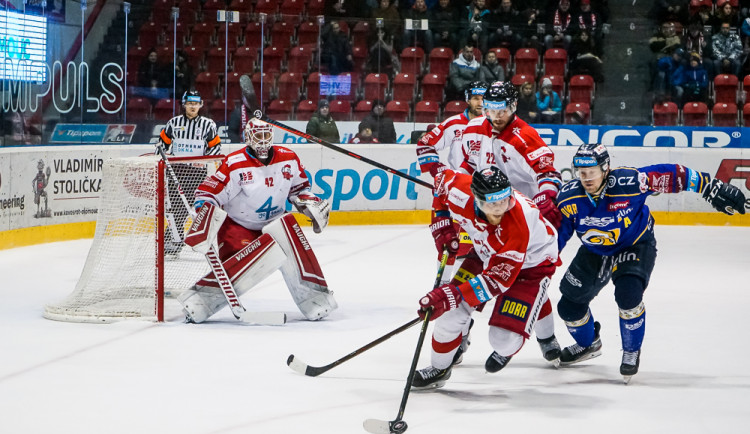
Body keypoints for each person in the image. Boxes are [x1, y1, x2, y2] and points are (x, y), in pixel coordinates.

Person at [555, 143, 747, 382]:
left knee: (628, 295)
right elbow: (557, 235)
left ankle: (631, 350)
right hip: (595, 250)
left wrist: (708, 186)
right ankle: (588, 344)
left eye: (591, 171)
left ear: (605, 169)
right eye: (581, 172)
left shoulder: (629, 182)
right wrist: (543, 260)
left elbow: (672, 174)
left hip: (634, 244)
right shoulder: (568, 197)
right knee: (568, 308)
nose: (586, 178)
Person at [412, 166, 562, 389]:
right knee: (450, 314)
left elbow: (496, 281)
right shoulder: (459, 190)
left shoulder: (517, 222)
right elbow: (440, 184)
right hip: (487, 253)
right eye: (492, 203)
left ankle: (531, 305)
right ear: (476, 199)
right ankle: (440, 368)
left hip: (532, 265)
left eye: (505, 201)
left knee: (503, 340)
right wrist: (442, 224)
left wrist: (452, 294)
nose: (500, 209)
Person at [178, 118, 337, 324]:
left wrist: (308, 203)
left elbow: (298, 189)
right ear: (248, 138)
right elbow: (209, 193)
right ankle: (198, 303)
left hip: (274, 224)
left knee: (289, 230)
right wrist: (202, 212)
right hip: (238, 227)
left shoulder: (288, 158)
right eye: (258, 136)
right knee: (243, 270)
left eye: (266, 135)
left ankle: (317, 301)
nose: (263, 141)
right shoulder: (234, 164)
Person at [157, 90, 221, 256]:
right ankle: (174, 242)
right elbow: (162, 144)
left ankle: (193, 240)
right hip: (176, 171)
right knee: (177, 208)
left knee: (195, 208)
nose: (193, 106)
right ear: (184, 104)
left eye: (196, 103)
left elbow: (215, 148)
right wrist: (165, 157)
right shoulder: (173, 123)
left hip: (197, 173)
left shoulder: (209, 125)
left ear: (201, 105)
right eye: (190, 103)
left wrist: (206, 159)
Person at [416, 81, 488, 177]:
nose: (480, 103)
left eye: (483, 99)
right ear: (468, 100)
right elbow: (424, 144)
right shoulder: (453, 123)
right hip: (459, 183)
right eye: (476, 99)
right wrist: (435, 167)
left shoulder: (495, 124)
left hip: (487, 185)